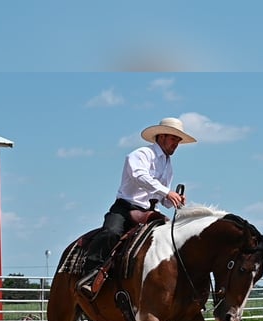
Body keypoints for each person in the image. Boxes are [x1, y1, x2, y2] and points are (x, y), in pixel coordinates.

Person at [77, 117, 197, 298]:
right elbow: (139, 176)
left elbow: (160, 197)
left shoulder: (167, 164)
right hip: (125, 208)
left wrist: (173, 199)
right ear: (162, 137)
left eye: (178, 140)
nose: (176, 144)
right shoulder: (141, 155)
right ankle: (90, 275)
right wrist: (167, 192)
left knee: (172, 238)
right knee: (110, 232)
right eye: (174, 139)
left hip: (150, 211)